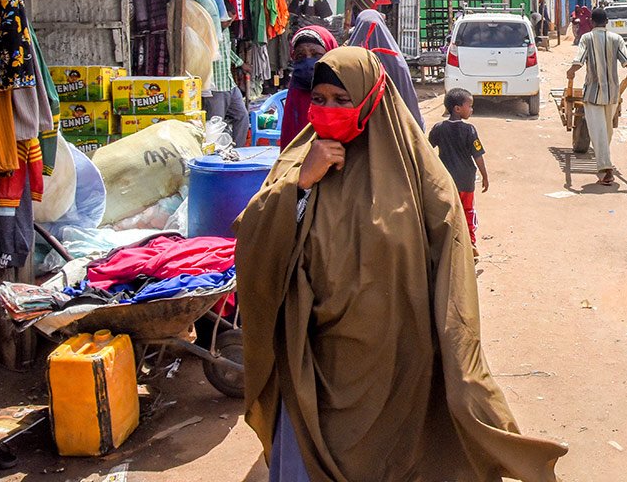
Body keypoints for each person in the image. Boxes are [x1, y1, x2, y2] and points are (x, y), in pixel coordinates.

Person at [234, 47, 566, 482]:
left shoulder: (418, 173)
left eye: (342, 99)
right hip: (312, 360)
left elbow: (451, 263)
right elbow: (253, 241)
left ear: (371, 98)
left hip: (396, 363)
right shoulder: (299, 160)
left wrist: (460, 361)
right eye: (320, 100)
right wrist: (300, 185)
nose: (328, 110)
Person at [566, 8, 627, 187]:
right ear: (607, 22)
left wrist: (571, 71)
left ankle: (606, 169)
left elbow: (579, 60)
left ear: (592, 21)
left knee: (598, 133)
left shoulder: (586, 38)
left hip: (593, 93)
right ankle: (604, 165)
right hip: (612, 94)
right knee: (606, 131)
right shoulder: (616, 38)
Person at [428, 88, 488, 256]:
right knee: (468, 210)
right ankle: (471, 243)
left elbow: (426, 150)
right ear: (458, 108)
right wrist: (484, 175)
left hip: (446, 180)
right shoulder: (469, 130)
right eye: (469, 105)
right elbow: (478, 155)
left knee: (448, 211)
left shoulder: (438, 128)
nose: (472, 109)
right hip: (467, 181)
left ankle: (449, 245)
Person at [347, 10, 424, 131]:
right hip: (391, 126)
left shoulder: (348, 61)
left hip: (358, 127)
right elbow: (407, 98)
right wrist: (416, 128)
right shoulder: (397, 63)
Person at [279, 25, 338, 148]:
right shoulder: (295, 90)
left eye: (316, 54)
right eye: (300, 56)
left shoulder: (342, 90)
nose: (308, 62)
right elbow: (289, 138)